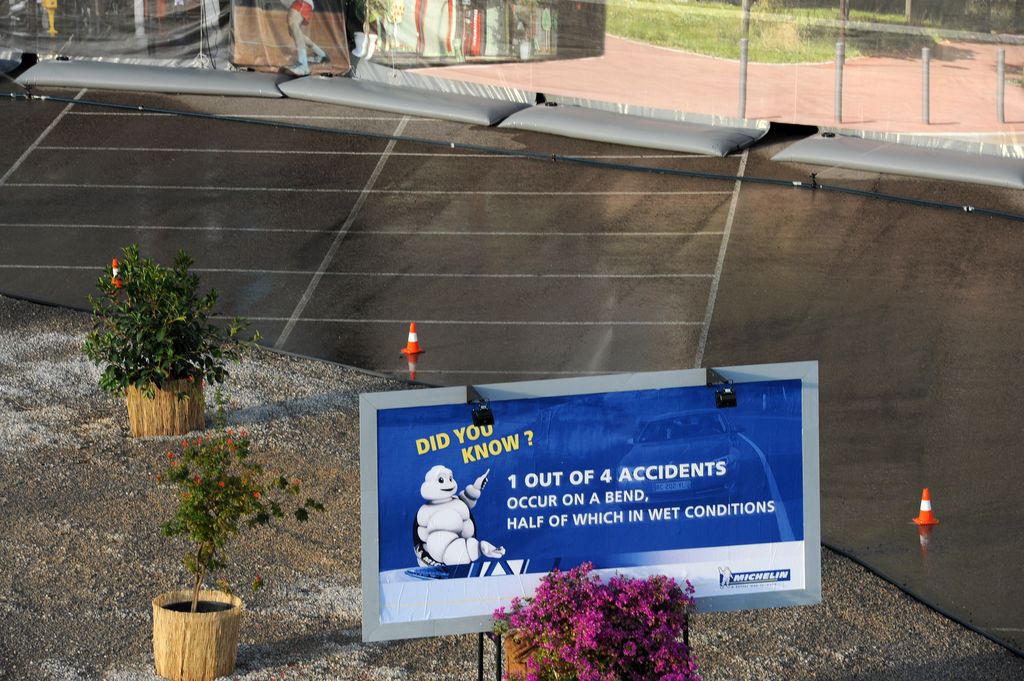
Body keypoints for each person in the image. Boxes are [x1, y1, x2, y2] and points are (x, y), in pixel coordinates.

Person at [279, 0, 330, 76]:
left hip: (301, 2)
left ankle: (303, 65)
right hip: (296, 3)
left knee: (294, 26)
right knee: (294, 32)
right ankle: (320, 54)